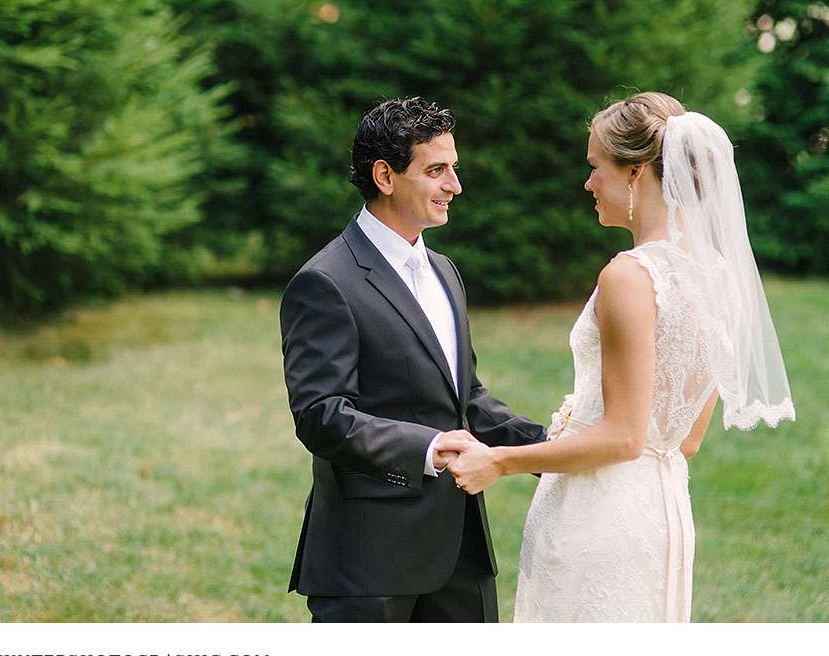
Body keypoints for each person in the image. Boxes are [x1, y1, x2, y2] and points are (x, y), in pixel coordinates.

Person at [444, 92, 796, 622]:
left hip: (598, 514)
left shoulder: (630, 276)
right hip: (663, 508)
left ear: (635, 173)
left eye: (595, 167)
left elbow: (624, 436)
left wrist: (499, 460)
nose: (588, 183)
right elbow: (688, 439)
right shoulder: (721, 276)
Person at [279, 96, 546, 622]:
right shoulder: (325, 281)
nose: (455, 185)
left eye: (454, 169)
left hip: (461, 554)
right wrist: (429, 446)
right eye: (437, 170)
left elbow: (465, 397)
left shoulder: (445, 270)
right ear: (385, 175)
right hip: (367, 561)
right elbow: (321, 415)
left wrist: (550, 448)